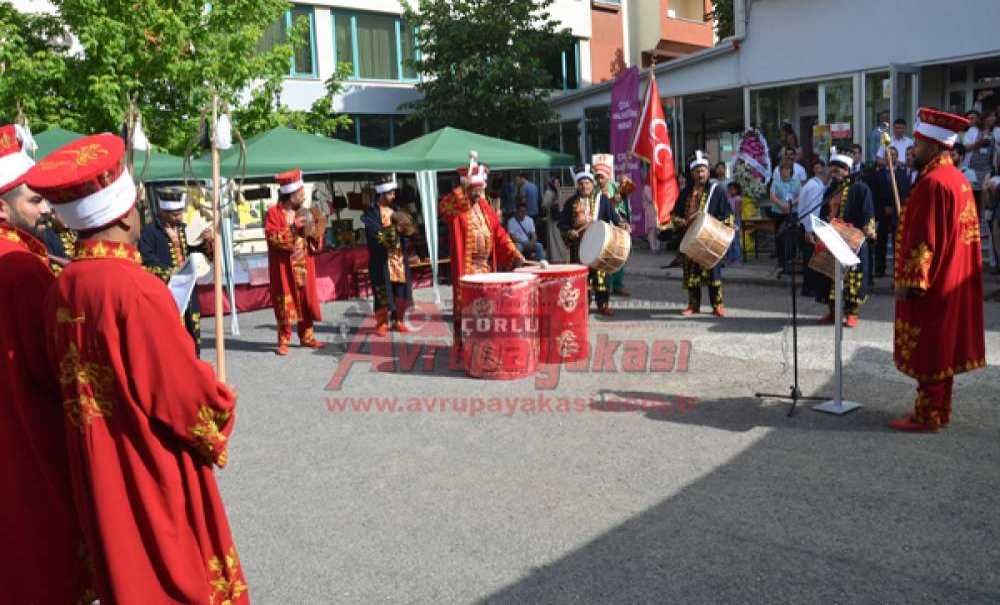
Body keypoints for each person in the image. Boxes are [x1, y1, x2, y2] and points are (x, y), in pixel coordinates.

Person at [26, 133, 248, 603]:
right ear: (128, 214)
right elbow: (180, 398)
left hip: (98, 465)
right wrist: (218, 396)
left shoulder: (61, 288)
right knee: (172, 575)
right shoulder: (136, 289)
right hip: (148, 463)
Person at [0, 124, 91, 604]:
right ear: (2, 207)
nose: (45, 211)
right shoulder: (19, 269)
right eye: (34, 202)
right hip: (28, 438)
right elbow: (58, 366)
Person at [890, 108, 986, 432]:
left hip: (934, 284)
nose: (912, 150)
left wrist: (912, 282)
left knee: (930, 346)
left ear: (932, 145)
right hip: (954, 278)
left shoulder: (933, 184)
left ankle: (927, 415)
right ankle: (940, 409)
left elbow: (925, 239)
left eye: (917, 144)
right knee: (943, 347)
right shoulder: (957, 180)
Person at [440, 151, 525, 353]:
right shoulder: (457, 208)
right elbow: (443, 208)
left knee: (488, 308)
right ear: (467, 187)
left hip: (485, 266)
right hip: (467, 268)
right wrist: (464, 186)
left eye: (481, 189)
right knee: (468, 308)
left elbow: (499, 233)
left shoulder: (485, 207)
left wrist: (514, 253)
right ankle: (466, 348)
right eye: (475, 189)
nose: (479, 194)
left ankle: (488, 345)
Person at [139, 188, 213, 355]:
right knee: (171, 330)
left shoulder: (183, 229)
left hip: (188, 286)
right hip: (166, 289)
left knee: (191, 326)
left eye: (180, 213)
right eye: (174, 215)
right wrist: (171, 272)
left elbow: (195, 252)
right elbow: (145, 260)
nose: (179, 217)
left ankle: (194, 361)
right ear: (163, 213)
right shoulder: (149, 233)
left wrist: (207, 242)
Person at [808, 147, 875, 327]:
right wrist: (817, 232)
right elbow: (823, 212)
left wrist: (868, 229)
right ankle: (832, 312)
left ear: (847, 171)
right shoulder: (830, 189)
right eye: (833, 170)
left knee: (852, 279)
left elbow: (868, 213)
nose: (835, 174)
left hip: (852, 240)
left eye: (839, 170)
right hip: (831, 239)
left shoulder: (861, 188)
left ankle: (852, 313)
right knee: (828, 277)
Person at [265, 168, 326, 355]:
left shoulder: (306, 211)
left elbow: (315, 242)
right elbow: (273, 239)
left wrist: (316, 229)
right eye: (300, 193)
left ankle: (307, 336)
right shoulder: (274, 214)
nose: (303, 196)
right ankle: (283, 339)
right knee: (285, 301)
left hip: (304, 264)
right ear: (290, 195)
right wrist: (293, 228)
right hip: (284, 267)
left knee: (306, 300)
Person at [671, 151, 735, 317]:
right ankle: (693, 305)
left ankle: (717, 305)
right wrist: (682, 222)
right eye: (697, 171)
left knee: (713, 274)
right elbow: (674, 215)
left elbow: (728, 215)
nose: (700, 174)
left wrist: (720, 226)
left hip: (710, 238)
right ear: (692, 173)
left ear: (708, 172)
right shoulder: (685, 192)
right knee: (692, 274)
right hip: (690, 238)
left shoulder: (717, 191)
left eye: (703, 170)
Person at [559, 164, 622, 316]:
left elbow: (614, 218)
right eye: (581, 183)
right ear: (577, 185)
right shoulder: (571, 203)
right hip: (579, 248)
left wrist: (623, 224)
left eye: (587, 182)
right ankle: (583, 305)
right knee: (581, 278)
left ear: (592, 184)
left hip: (599, 246)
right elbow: (562, 223)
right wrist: (569, 232)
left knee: (601, 277)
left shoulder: (603, 201)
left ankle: (603, 304)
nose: (584, 186)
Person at [363, 174, 414, 336]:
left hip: (398, 258)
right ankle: (382, 323)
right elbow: (374, 233)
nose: (393, 196)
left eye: (393, 193)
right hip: (381, 259)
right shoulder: (371, 213)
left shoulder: (397, 210)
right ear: (382, 193)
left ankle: (398, 320)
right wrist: (393, 231)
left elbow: (407, 231)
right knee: (382, 290)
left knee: (401, 290)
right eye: (391, 193)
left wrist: (406, 232)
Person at [594, 155, 631, 296]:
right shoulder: (594, 192)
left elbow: (627, 197)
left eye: (602, 177)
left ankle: (617, 284)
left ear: (608, 177)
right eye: (597, 177)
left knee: (619, 256)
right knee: (603, 258)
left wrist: (625, 186)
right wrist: (611, 202)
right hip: (602, 230)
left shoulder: (616, 187)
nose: (599, 180)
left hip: (616, 227)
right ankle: (604, 286)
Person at [871, 147, 910, 277]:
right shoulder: (878, 174)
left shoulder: (902, 173)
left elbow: (903, 193)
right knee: (880, 241)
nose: (891, 157)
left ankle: (896, 271)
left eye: (893, 155)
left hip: (896, 213)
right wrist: (882, 209)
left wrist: (893, 207)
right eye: (888, 155)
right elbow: (875, 195)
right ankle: (879, 269)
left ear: (897, 157)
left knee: (896, 242)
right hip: (881, 213)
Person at [769, 146, 802, 276]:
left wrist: (790, 204)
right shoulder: (776, 182)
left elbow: (800, 195)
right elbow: (772, 195)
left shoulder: (796, 181)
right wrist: (781, 204)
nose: (785, 173)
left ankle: (791, 260)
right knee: (780, 237)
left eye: (787, 171)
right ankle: (781, 261)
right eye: (783, 171)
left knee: (791, 237)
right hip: (778, 212)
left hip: (792, 212)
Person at [799, 157, 829, 297]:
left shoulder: (815, 185)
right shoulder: (814, 187)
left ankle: (810, 286)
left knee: (812, 258)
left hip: (811, 227)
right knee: (811, 259)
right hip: (810, 228)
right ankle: (809, 287)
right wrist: (810, 230)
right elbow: (812, 209)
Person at [542, 176, 569, 262]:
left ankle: (560, 257)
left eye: (558, 183)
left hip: (560, 218)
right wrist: (553, 201)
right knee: (554, 238)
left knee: (559, 238)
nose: (557, 184)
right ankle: (555, 257)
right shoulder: (549, 192)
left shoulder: (560, 192)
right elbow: (544, 205)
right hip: (552, 219)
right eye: (555, 183)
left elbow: (563, 204)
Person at [725, 181, 743, 264]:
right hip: (728, 218)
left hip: (734, 219)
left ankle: (737, 258)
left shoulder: (738, 199)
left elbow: (738, 211)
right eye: (729, 189)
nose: (731, 191)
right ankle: (730, 258)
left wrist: (733, 219)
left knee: (735, 240)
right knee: (729, 240)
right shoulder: (728, 199)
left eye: (733, 189)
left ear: (737, 190)